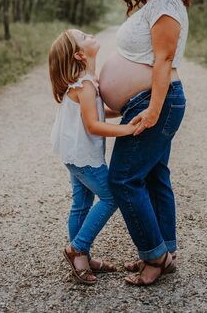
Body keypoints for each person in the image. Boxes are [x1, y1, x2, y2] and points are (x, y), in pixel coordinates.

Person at [99, 0, 190, 286]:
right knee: (153, 175)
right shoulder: (154, 3)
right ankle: (164, 251)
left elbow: (164, 59)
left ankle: (154, 256)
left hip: (157, 102)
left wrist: (152, 110)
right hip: (148, 101)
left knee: (122, 179)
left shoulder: (165, 2)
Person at [48, 28, 137, 285]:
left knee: (82, 203)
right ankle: (78, 248)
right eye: (84, 37)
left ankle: (82, 258)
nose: (90, 35)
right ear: (78, 54)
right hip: (84, 158)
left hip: (74, 155)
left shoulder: (87, 82)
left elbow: (97, 114)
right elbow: (93, 126)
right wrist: (128, 129)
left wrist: (122, 111)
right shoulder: (85, 85)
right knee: (112, 196)